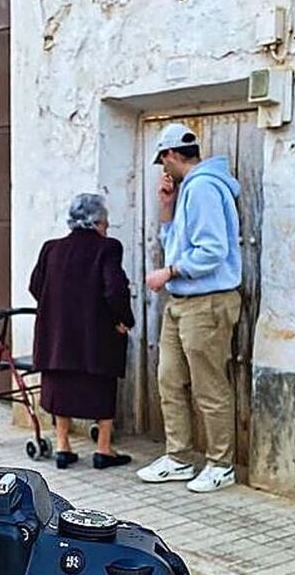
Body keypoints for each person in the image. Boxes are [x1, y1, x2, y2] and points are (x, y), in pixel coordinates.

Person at [136, 122, 242, 493]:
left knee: (209, 386)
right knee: (170, 380)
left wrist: (170, 272)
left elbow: (212, 251)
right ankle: (179, 457)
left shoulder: (203, 188)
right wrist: (166, 208)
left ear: (170, 155)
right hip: (182, 303)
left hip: (206, 302)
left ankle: (220, 464)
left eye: (162, 161)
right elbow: (178, 243)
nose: (163, 170)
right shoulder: (189, 191)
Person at [29, 193, 135, 470]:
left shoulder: (51, 248)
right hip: (95, 335)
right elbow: (115, 289)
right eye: (106, 221)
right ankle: (103, 449)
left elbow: (35, 286)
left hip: (57, 335)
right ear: (98, 221)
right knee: (100, 386)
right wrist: (124, 319)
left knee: (61, 385)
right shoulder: (108, 248)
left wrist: (57, 308)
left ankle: (63, 447)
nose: (108, 226)